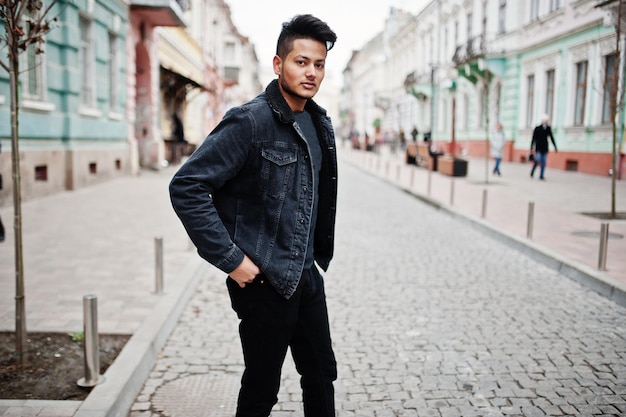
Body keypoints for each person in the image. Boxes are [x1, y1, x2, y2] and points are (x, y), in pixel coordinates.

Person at [169, 14, 338, 417]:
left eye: (318, 64)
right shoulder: (250, 120)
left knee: (320, 373)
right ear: (278, 64)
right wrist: (233, 261)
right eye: (301, 62)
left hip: (306, 274)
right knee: (262, 387)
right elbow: (187, 186)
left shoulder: (318, 121)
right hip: (263, 280)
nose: (311, 72)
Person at [530, 114, 557, 180]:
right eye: (546, 120)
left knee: (544, 162)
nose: (547, 121)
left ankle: (541, 175)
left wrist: (555, 146)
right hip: (538, 148)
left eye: (547, 120)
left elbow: (551, 137)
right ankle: (533, 170)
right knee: (538, 159)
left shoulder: (548, 128)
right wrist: (531, 147)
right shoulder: (537, 128)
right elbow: (533, 139)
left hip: (545, 148)